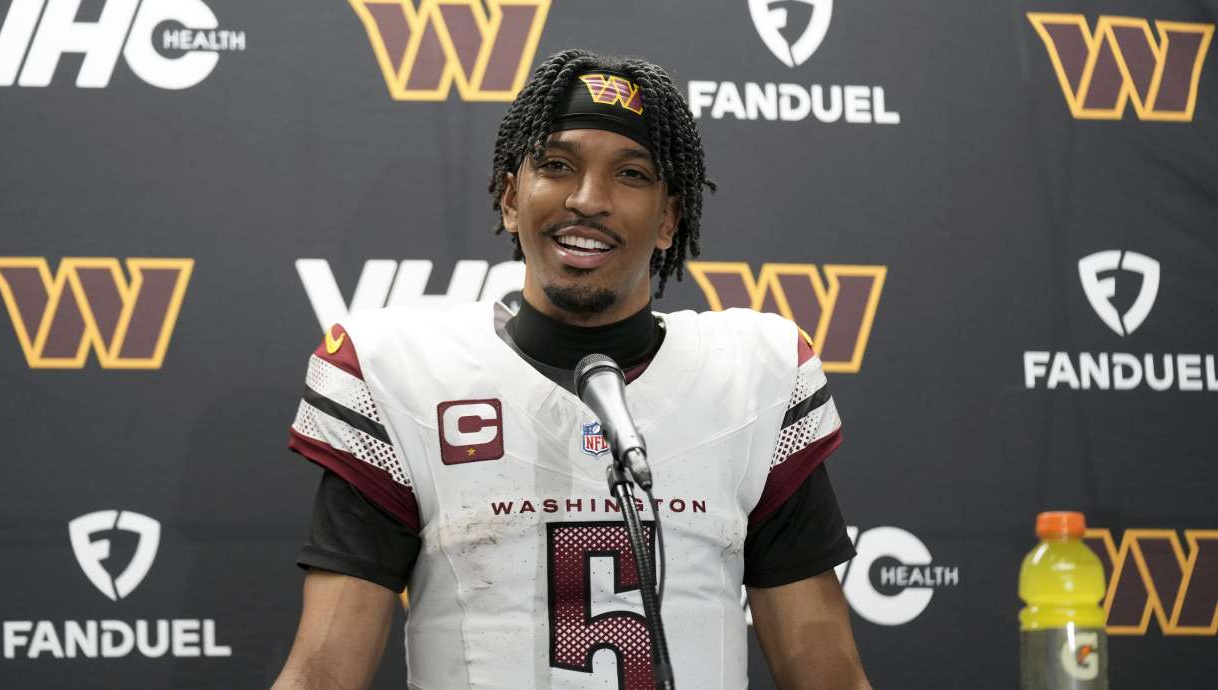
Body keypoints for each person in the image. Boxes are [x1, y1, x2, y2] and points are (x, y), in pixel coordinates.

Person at [272, 49, 871, 690]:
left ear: (669, 219)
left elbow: (827, 673)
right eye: (557, 166)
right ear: (510, 199)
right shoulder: (401, 374)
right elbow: (325, 672)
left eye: (631, 174)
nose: (588, 200)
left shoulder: (751, 377)